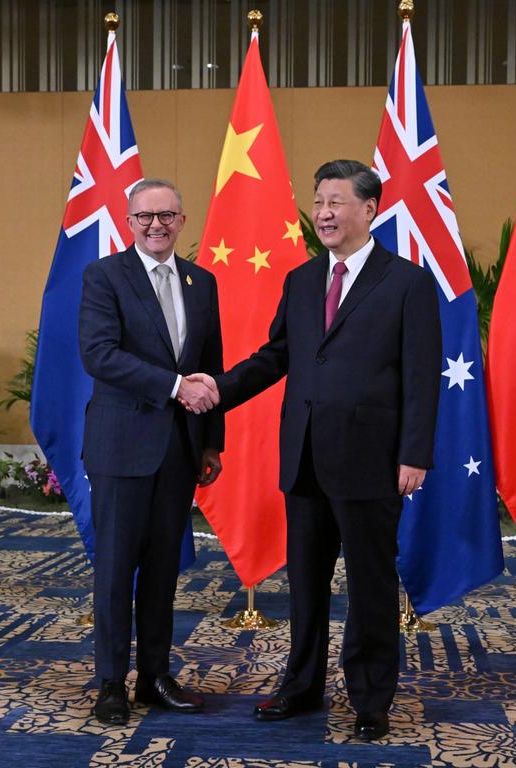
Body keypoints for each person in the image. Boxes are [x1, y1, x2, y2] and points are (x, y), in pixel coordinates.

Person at [187, 160, 441, 740]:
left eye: (336, 202)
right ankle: (300, 688)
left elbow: (422, 376)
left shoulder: (406, 282)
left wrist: (415, 453)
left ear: (369, 209)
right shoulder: (302, 280)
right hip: (304, 456)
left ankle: (372, 698)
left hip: (373, 459)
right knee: (305, 584)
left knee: (371, 584)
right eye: (319, 201)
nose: (323, 213)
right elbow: (277, 356)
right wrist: (216, 390)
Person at [79, 178, 224, 726]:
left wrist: (211, 440)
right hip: (121, 448)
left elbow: (211, 362)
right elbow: (99, 355)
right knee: (116, 571)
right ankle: (111, 682)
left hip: (180, 451)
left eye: (167, 216)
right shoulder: (103, 277)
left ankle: (155, 677)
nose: (156, 225)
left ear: (183, 221)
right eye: (145, 217)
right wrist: (172, 387)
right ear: (128, 221)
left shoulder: (201, 281)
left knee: (164, 571)